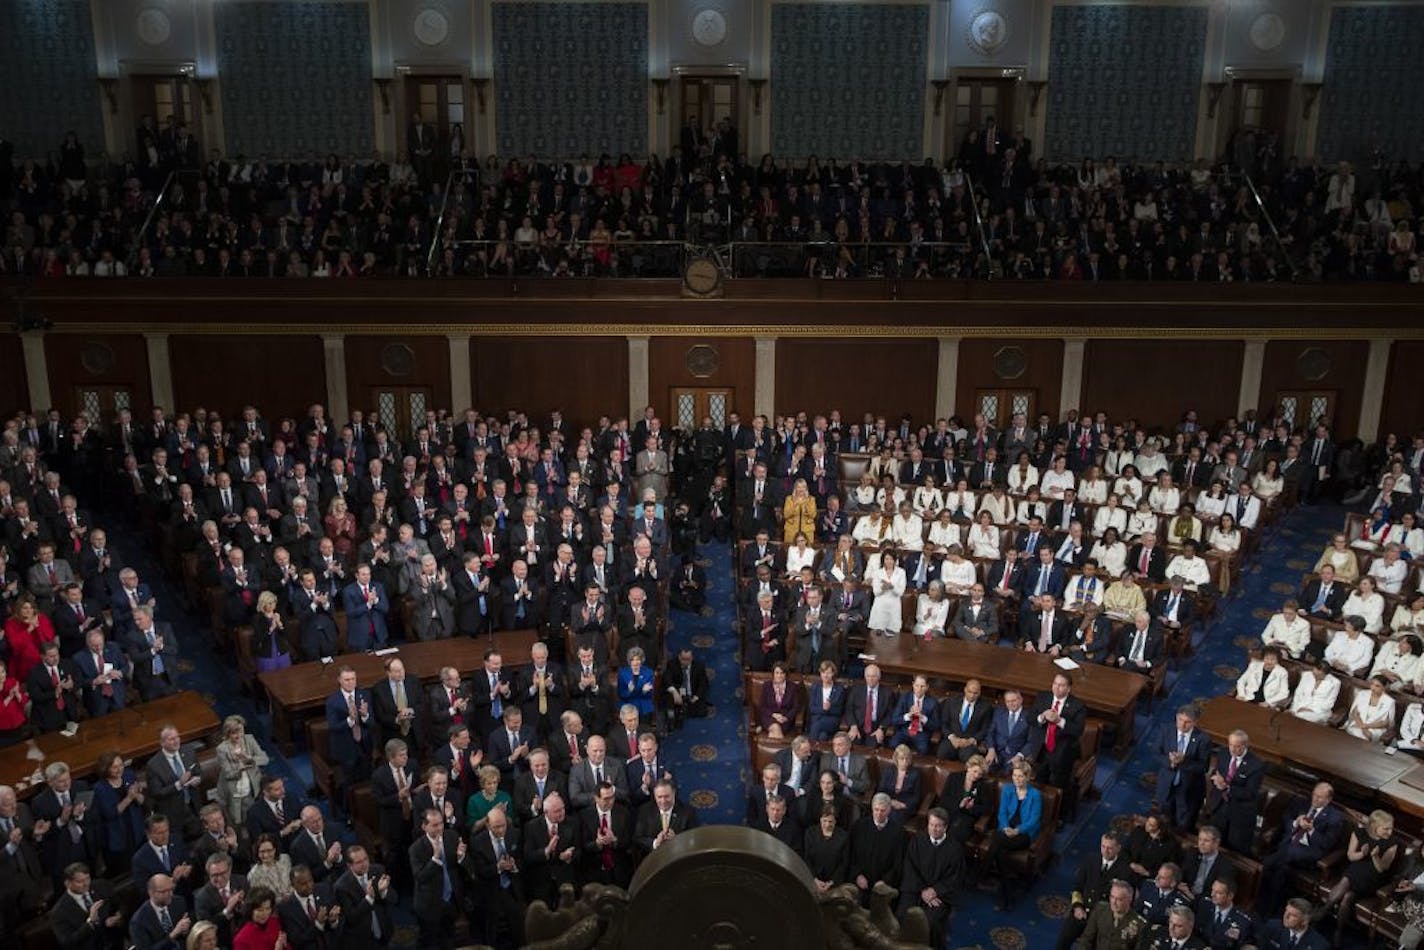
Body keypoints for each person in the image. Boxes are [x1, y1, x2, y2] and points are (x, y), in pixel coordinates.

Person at [897, 808, 961, 948]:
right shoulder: (917, 840)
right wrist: (923, 889)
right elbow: (910, 867)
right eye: (931, 824)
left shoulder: (955, 848)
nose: (934, 829)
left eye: (938, 826)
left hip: (939, 895)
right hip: (915, 888)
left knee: (930, 923)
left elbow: (954, 878)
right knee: (902, 914)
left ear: (946, 827)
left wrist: (935, 890)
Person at [985, 761, 1041, 910]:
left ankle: (981, 872)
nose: (1016, 779)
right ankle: (1007, 895)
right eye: (1015, 775)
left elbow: (1034, 820)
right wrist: (1005, 827)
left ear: (1028, 777)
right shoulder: (1008, 789)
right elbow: (1002, 812)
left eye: (1020, 776)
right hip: (1006, 831)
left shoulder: (1035, 795)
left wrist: (1017, 830)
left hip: (1024, 834)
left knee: (996, 841)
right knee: (1001, 852)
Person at [1201, 730, 1265, 855]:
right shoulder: (1223, 753)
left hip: (1239, 813)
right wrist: (1215, 777)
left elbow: (1250, 793)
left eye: (1237, 746)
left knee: (1232, 850)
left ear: (1245, 745)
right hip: (1219, 807)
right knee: (1213, 841)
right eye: (1231, 745)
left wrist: (1226, 787)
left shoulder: (1257, 765)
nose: (1232, 749)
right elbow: (1218, 772)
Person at [408, 808, 464, 949]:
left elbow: (460, 867)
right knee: (429, 941)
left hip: (451, 899)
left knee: (449, 936)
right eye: (434, 825)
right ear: (424, 826)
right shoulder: (416, 849)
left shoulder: (451, 836)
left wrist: (461, 857)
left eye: (441, 823)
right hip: (430, 904)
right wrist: (435, 859)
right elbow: (420, 877)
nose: (439, 828)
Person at [93, 749, 147, 877]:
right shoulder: (100, 788)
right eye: (114, 767)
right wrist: (128, 798)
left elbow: (142, 801)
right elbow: (110, 814)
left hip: (136, 830)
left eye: (121, 765)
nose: (119, 770)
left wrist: (136, 796)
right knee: (126, 872)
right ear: (105, 769)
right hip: (117, 836)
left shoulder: (129, 775)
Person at [216, 715, 268, 828]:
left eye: (241, 731)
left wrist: (250, 759)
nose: (239, 735)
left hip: (253, 787)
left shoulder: (249, 739)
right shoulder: (222, 749)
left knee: (256, 817)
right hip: (235, 790)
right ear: (228, 733)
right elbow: (228, 773)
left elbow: (265, 759)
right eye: (235, 733)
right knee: (239, 822)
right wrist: (240, 768)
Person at [758, 662, 802, 740]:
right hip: (769, 717)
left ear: (786, 674)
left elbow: (796, 707)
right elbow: (762, 706)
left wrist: (786, 717)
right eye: (777, 673)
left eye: (782, 673)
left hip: (785, 719)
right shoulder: (767, 685)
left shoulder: (793, 687)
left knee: (773, 732)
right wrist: (773, 715)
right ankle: (782, 751)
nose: (779, 676)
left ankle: (776, 751)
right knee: (775, 727)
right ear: (773, 674)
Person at [245, 834, 293, 904]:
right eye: (262, 852)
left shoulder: (285, 859)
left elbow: (294, 881)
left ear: (275, 849)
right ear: (257, 853)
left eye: (269, 850)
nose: (266, 855)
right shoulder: (253, 875)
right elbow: (260, 899)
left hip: (293, 900)